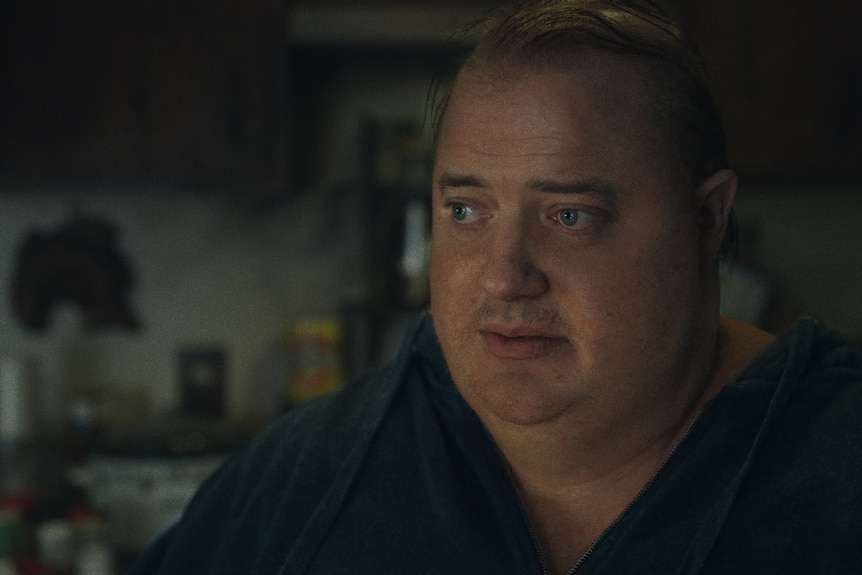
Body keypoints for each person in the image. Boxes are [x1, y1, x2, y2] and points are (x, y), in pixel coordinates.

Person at [131, 1, 862, 573]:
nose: (505, 273)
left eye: (570, 215)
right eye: (466, 210)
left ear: (706, 219)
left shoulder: (833, 464)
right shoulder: (308, 477)